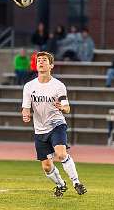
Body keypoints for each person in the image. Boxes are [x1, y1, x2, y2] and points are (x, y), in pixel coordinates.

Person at [21, 51, 87, 197]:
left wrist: (62, 107)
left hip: (57, 124)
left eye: (44, 60)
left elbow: (67, 108)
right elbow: (26, 107)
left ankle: (76, 182)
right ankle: (61, 185)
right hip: (40, 129)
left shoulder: (58, 86)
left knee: (61, 154)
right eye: (39, 60)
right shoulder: (29, 86)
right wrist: (26, 114)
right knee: (46, 166)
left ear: (51, 65)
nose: (41, 62)